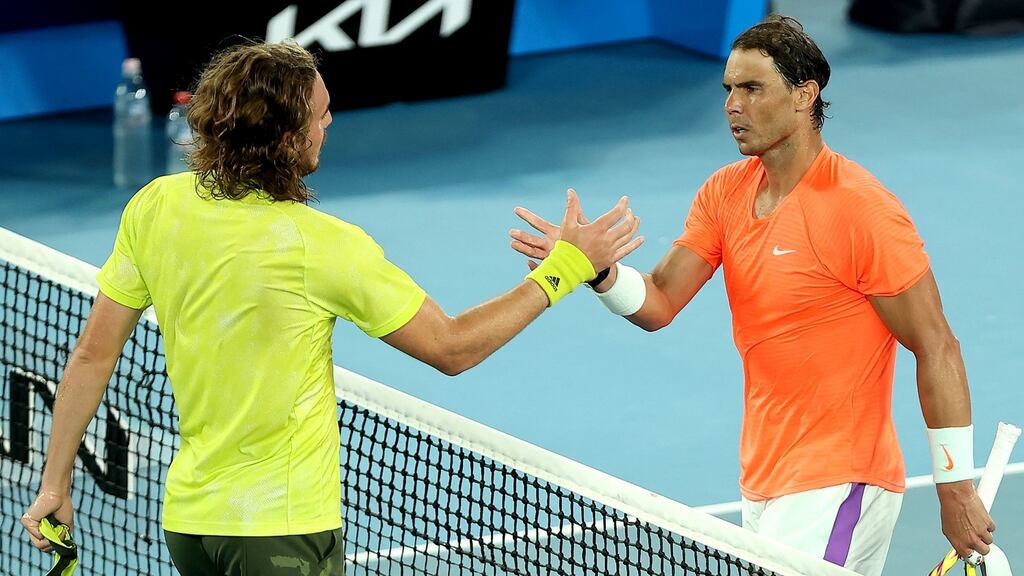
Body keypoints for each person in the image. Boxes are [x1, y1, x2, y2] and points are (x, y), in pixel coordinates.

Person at [20, 41, 642, 575]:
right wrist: (568, 269)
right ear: (288, 139)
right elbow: (453, 348)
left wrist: (55, 482)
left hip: (191, 527)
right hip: (283, 535)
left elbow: (92, 354)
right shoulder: (323, 247)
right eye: (321, 114)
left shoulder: (155, 207)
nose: (331, 122)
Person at [509, 14, 994, 576]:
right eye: (728, 89)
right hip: (765, 480)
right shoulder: (724, 192)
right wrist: (597, 273)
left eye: (752, 88)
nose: (731, 105)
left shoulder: (862, 211)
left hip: (840, 480)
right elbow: (661, 300)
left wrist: (954, 489)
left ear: (804, 96)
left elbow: (938, 346)